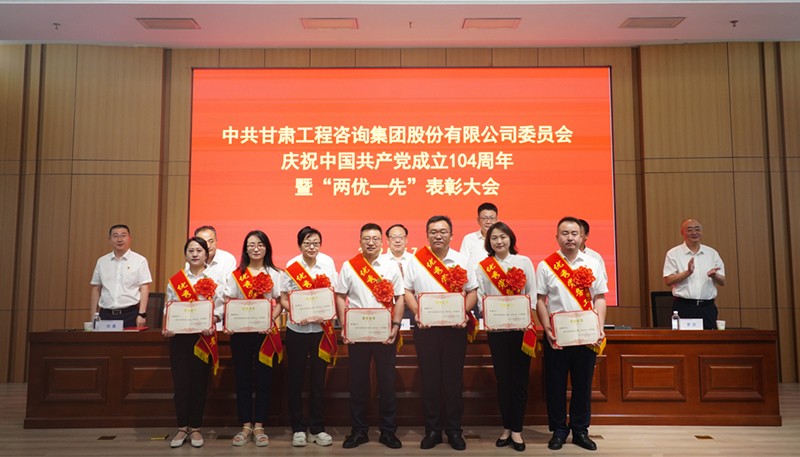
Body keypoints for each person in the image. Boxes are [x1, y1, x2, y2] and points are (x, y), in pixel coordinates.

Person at [404, 215, 478, 451]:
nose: (438, 236)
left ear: (451, 235)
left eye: (443, 231)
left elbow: (472, 292)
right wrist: (418, 313)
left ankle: (454, 430)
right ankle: (433, 430)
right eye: (434, 232)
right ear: (427, 235)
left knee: (453, 381)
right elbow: (407, 291)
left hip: (455, 330)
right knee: (430, 380)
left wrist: (462, 313)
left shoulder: (462, 260)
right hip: (426, 330)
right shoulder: (416, 260)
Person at [535, 216, 607, 452]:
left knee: (582, 385)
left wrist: (599, 326)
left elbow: (599, 298)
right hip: (557, 335)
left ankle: (580, 430)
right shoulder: (546, 265)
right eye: (564, 233)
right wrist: (546, 328)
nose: (570, 238)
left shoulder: (593, 263)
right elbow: (540, 300)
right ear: (557, 237)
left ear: (582, 237)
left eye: (574, 233)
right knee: (555, 384)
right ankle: (558, 430)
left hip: (586, 334)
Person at [335, 223, 405, 449]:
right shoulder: (349, 266)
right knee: (358, 382)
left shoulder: (391, 266)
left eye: (375, 238)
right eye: (367, 238)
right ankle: (359, 431)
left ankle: (388, 431)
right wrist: (344, 325)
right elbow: (340, 296)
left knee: (387, 382)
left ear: (382, 242)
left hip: (384, 333)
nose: (371, 242)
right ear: (360, 241)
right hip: (357, 333)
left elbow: (400, 297)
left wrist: (396, 325)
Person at [475, 222, 536, 452]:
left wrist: (523, 314)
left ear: (511, 238)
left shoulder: (524, 262)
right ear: (488, 242)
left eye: (503, 237)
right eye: (494, 238)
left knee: (520, 381)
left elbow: (532, 293)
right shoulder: (483, 267)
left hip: (521, 331)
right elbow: (481, 298)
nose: (499, 241)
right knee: (503, 381)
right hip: (498, 332)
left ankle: (517, 429)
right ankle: (506, 427)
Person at [223, 230, 284, 447]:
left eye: (260, 244)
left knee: (264, 379)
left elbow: (281, 302)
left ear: (267, 248)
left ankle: (259, 425)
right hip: (240, 334)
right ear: (245, 249)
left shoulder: (275, 274)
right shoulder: (236, 275)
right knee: (243, 379)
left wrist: (270, 319)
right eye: (251, 245)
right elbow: (229, 301)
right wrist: (230, 322)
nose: (256, 248)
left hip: (264, 334)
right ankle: (245, 425)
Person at [163, 237, 224, 448]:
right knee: (181, 384)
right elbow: (169, 307)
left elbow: (221, 307)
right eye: (191, 250)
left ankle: (196, 428)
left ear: (206, 254)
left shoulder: (215, 279)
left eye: (199, 250)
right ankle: (182, 427)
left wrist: (213, 319)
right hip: (179, 338)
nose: (195, 254)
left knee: (199, 384)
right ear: (186, 254)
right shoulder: (176, 280)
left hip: (203, 338)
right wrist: (168, 325)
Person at [280, 226, 338, 448]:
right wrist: (297, 312)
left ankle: (317, 427)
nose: (311, 247)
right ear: (299, 245)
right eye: (307, 243)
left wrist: (326, 312)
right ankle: (297, 428)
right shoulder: (292, 266)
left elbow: (333, 294)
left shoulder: (328, 263)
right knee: (295, 379)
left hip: (320, 331)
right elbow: (284, 299)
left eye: (315, 243)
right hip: (297, 330)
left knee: (317, 380)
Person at [663, 218, 725, 330]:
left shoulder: (712, 253)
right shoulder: (673, 253)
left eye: (697, 229)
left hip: (707, 308)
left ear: (701, 232)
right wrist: (687, 273)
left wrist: (714, 275)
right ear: (682, 232)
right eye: (690, 230)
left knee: (709, 340)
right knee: (684, 340)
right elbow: (668, 280)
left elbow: (722, 281)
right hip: (684, 307)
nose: (694, 233)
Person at [90, 224, 153, 328]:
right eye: (115, 236)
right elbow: (96, 288)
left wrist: (142, 314)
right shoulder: (102, 261)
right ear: (110, 239)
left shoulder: (139, 260)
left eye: (123, 235)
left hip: (130, 314)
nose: (119, 239)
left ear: (129, 238)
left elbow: (144, 288)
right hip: (105, 315)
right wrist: (93, 315)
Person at [379, 223, 415, 321]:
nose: (397, 240)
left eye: (401, 237)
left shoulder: (415, 260)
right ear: (388, 241)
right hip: (388, 308)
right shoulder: (380, 261)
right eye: (394, 237)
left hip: (412, 308)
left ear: (406, 240)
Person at [459, 202, 498, 273]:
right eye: (484, 218)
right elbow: (463, 264)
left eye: (492, 218)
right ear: (478, 220)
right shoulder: (469, 239)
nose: (488, 222)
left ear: (497, 220)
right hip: (475, 279)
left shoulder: (502, 240)